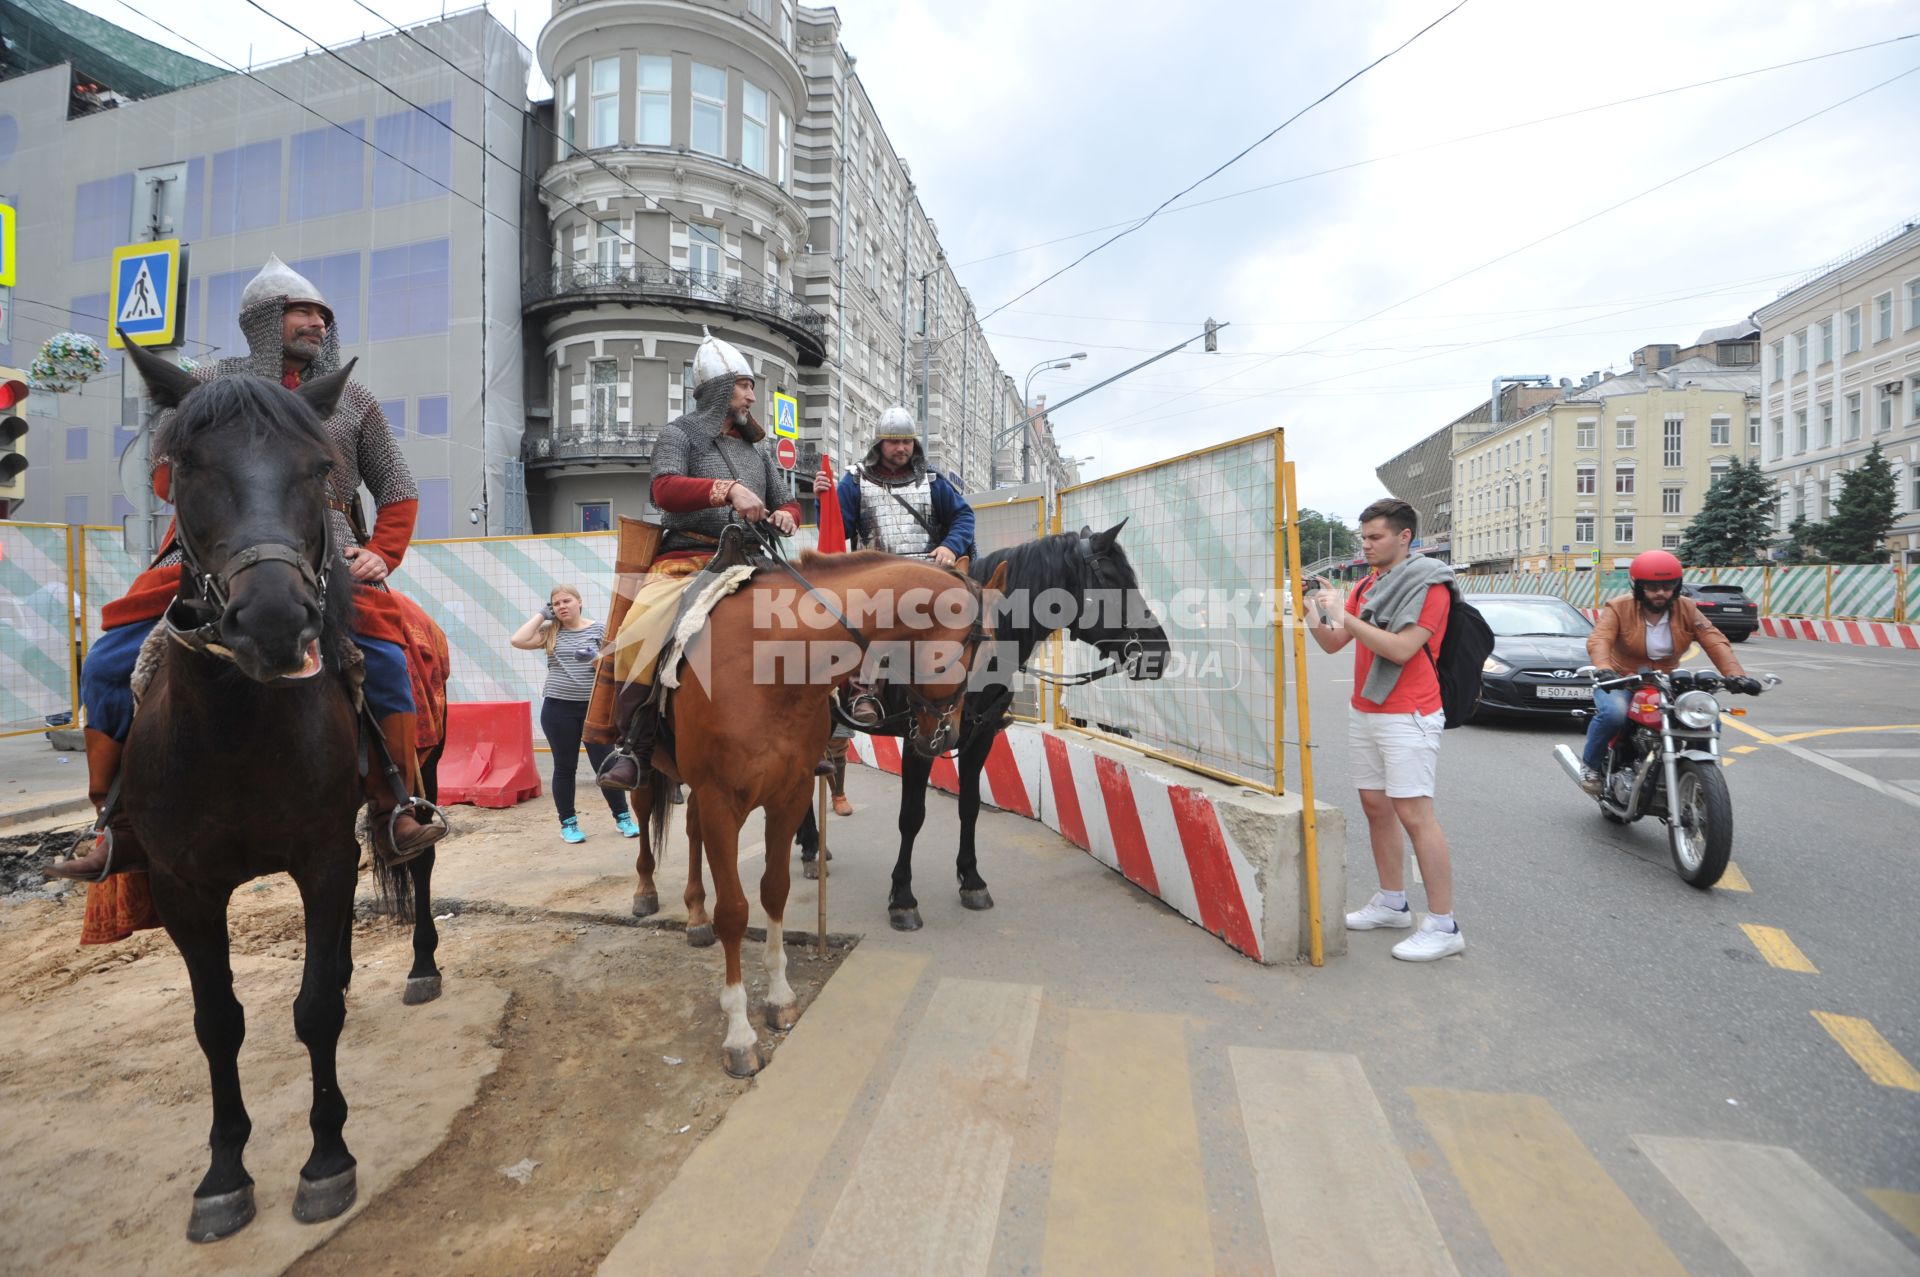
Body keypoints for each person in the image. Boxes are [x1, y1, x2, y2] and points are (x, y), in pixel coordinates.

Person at [48, 255, 442, 914]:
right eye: (302, 310)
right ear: (264, 320)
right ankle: (113, 821)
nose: (315, 322)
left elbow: (397, 489)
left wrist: (382, 552)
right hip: (211, 552)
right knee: (110, 657)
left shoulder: (351, 400)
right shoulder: (208, 383)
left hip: (326, 552)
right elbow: (164, 475)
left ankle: (394, 803)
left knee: (390, 655)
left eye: (322, 314)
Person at [592, 328, 799, 791]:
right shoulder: (680, 434)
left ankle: (816, 735)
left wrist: (785, 514)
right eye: (745, 386)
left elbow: (789, 501)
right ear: (719, 391)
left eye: (750, 387)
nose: (751, 396)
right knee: (638, 632)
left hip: (751, 561)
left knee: (808, 623)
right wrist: (726, 489)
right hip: (688, 557)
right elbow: (663, 489)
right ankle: (635, 747)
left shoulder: (757, 450)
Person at [1307, 497, 1464, 962]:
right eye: (1364, 538)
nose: (1367, 546)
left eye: (1375, 537)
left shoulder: (1431, 584)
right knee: (1375, 806)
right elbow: (1335, 643)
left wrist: (1346, 613)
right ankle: (1393, 902)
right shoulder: (1367, 585)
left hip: (1409, 711)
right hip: (1368, 707)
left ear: (1404, 537)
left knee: (1414, 813)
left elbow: (1401, 649)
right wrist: (1311, 609)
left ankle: (1443, 924)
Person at [813, 405, 975, 725]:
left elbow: (963, 516)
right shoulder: (855, 480)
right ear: (879, 444)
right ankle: (864, 692)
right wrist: (824, 501)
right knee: (868, 621)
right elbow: (838, 531)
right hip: (876, 578)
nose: (901, 448)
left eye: (907, 442)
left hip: (926, 576)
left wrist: (948, 546)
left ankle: (974, 691)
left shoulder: (932, 480)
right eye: (893, 442)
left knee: (971, 620)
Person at [1579, 549, 1755, 793]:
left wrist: (1736, 676)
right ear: (1638, 586)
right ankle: (1590, 766)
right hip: (1622, 679)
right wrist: (1603, 669)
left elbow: (1714, 640)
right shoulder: (1619, 607)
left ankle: (1705, 777)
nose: (1660, 592)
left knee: (1705, 715)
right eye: (1652, 587)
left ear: (1677, 585)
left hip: (1665, 681)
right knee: (1614, 713)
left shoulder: (1687, 608)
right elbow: (1600, 639)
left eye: (1667, 585)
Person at [511, 584, 638, 842]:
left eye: (566, 601)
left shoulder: (599, 629)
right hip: (558, 709)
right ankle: (568, 824)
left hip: (594, 708)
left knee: (605, 765)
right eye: (556, 604)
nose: (562, 606)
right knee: (565, 767)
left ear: (579, 602)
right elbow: (518, 640)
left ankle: (623, 818)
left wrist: (596, 659)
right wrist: (540, 616)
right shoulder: (550, 631)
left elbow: (618, 665)